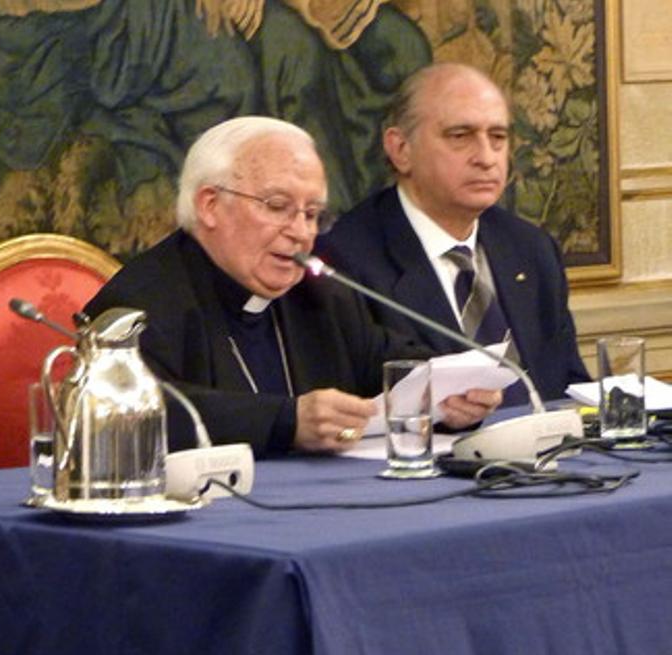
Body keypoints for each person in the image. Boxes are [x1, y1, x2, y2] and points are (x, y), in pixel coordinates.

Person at [83, 116, 500, 456]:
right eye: (279, 207)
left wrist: (448, 400)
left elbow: (394, 364)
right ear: (209, 205)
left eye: (312, 213)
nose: (301, 233)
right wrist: (287, 422)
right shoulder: (138, 304)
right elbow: (127, 415)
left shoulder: (319, 296)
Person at [314, 63, 589, 402]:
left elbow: (568, 386)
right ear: (400, 149)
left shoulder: (531, 249)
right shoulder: (346, 262)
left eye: (498, 137)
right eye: (460, 136)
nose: (487, 158)